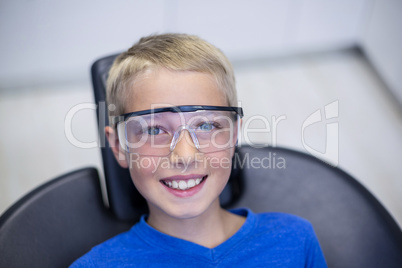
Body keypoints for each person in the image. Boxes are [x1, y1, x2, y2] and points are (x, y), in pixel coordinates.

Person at [70, 33, 327, 267]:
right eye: (153, 130)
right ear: (119, 147)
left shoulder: (295, 241)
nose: (185, 156)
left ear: (234, 135)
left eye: (206, 125)